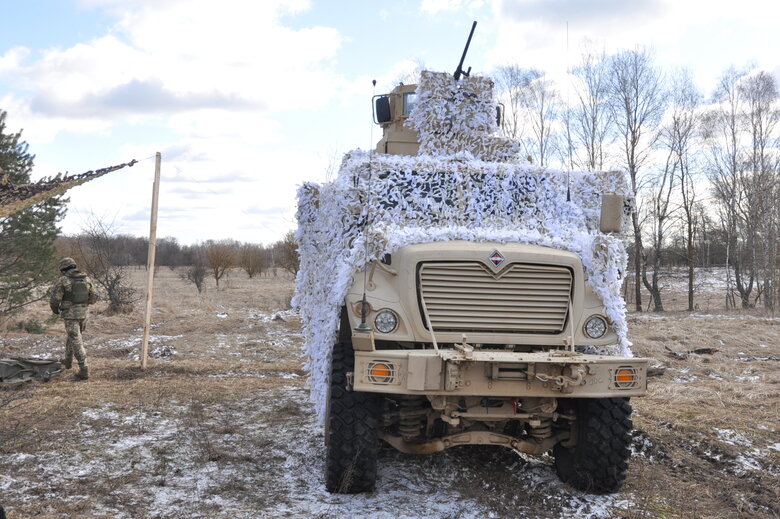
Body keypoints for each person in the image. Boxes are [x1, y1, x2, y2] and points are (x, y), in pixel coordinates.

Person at [49, 257, 97, 380]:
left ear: (63, 269)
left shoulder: (63, 280)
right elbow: (94, 297)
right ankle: (67, 361)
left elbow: (54, 300)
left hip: (70, 316)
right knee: (73, 337)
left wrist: (55, 310)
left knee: (76, 341)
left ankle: (84, 370)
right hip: (84, 315)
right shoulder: (86, 278)